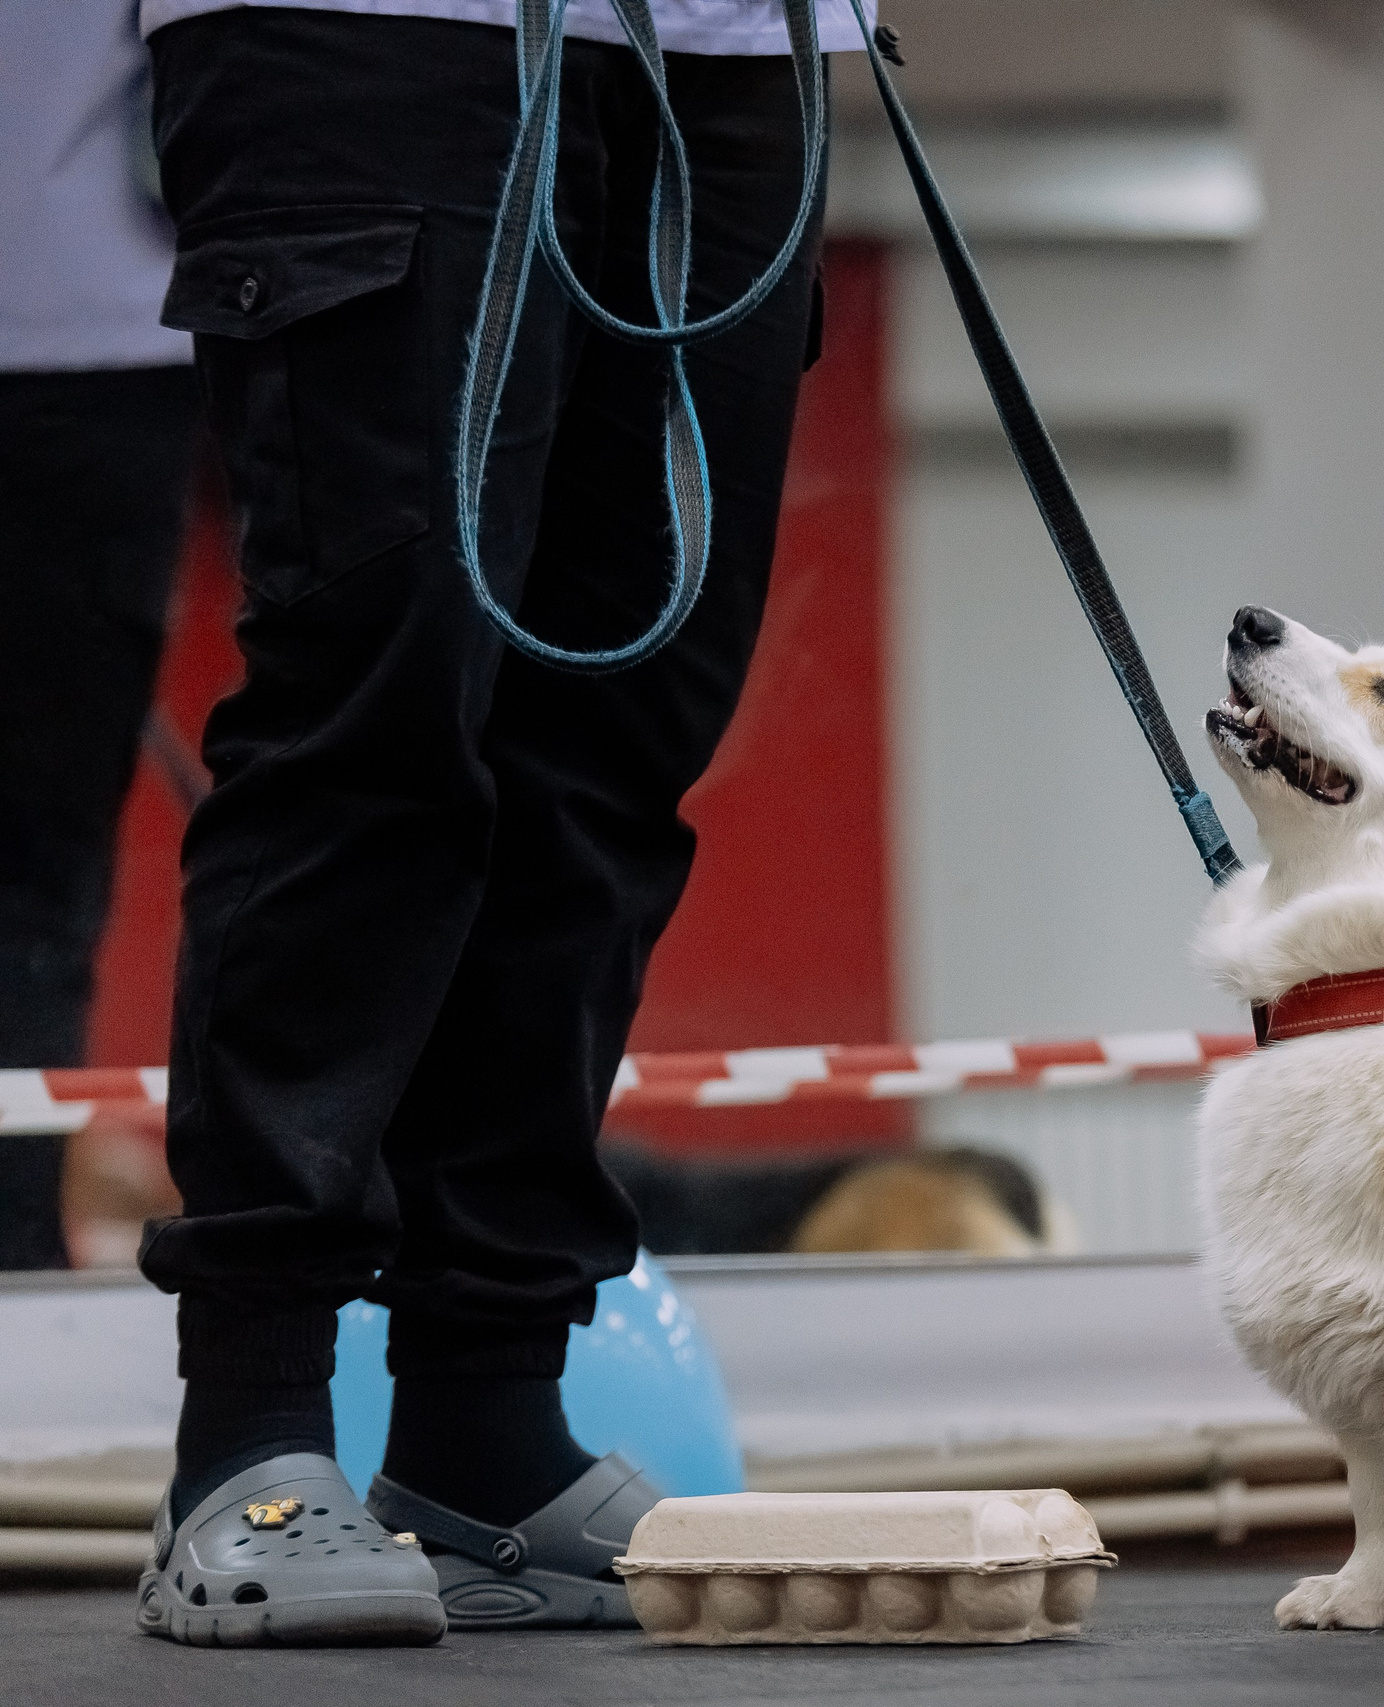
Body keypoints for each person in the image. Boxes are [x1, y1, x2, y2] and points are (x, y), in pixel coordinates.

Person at [130, 0, 868, 1645]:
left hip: (735, 47)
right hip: (378, 33)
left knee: (622, 734)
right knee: (376, 710)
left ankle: (486, 1422)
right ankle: (248, 1432)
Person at [0, 4, 200, 1273]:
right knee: (38, 881)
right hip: (101, 326)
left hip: (104, 334)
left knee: (41, 878)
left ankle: (17, 1262)